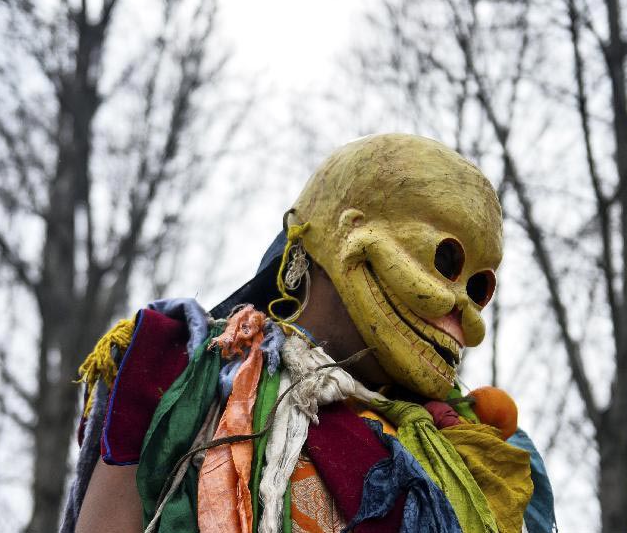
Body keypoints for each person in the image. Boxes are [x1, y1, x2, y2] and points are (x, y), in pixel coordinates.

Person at [63, 134, 556, 533]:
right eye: (443, 259)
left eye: (478, 287)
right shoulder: (186, 370)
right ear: (344, 230)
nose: (464, 317)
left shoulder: (483, 455)